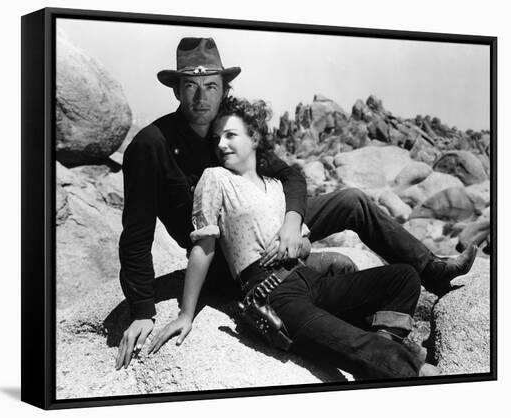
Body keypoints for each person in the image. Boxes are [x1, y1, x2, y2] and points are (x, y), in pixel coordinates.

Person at [116, 37, 477, 370]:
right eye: (190, 87)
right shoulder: (152, 145)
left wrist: (293, 223)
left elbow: (289, 175)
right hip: (229, 260)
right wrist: (143, 311)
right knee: (337, 266)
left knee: (351, 200)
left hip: (269, 226)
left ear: (224, 88)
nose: (200, 98)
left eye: (211, 86)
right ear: (177, 90)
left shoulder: (229, 127)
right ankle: (389, 350)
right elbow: (135, 234)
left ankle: (433, 271)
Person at [148, 97, 439, 379]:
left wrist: (295, 244)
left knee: (405, 278)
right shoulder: (215, 178)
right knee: (353, 343)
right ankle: (413, 370)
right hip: (272, 295)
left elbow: (306, 244)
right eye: (216, 138)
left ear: (255, 138)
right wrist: (186, 314)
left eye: (230, 135)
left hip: (307, 277)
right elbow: (203, 246)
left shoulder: (275, 185)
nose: (221, 144)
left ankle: (387, 348)